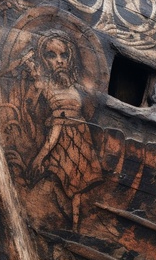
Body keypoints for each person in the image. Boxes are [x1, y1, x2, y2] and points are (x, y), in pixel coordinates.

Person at [27, 31, 103, 229]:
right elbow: (55, 125)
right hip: (63, 144)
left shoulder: (76, 88)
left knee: (75, 191)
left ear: (71, 58)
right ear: (44, 60)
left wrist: (40, 156)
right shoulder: (48, 88)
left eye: (64, 55)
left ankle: (75, 229)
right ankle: (69, 227)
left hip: (78, 144)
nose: (59, 61)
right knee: (63, 188)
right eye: (52, 56)